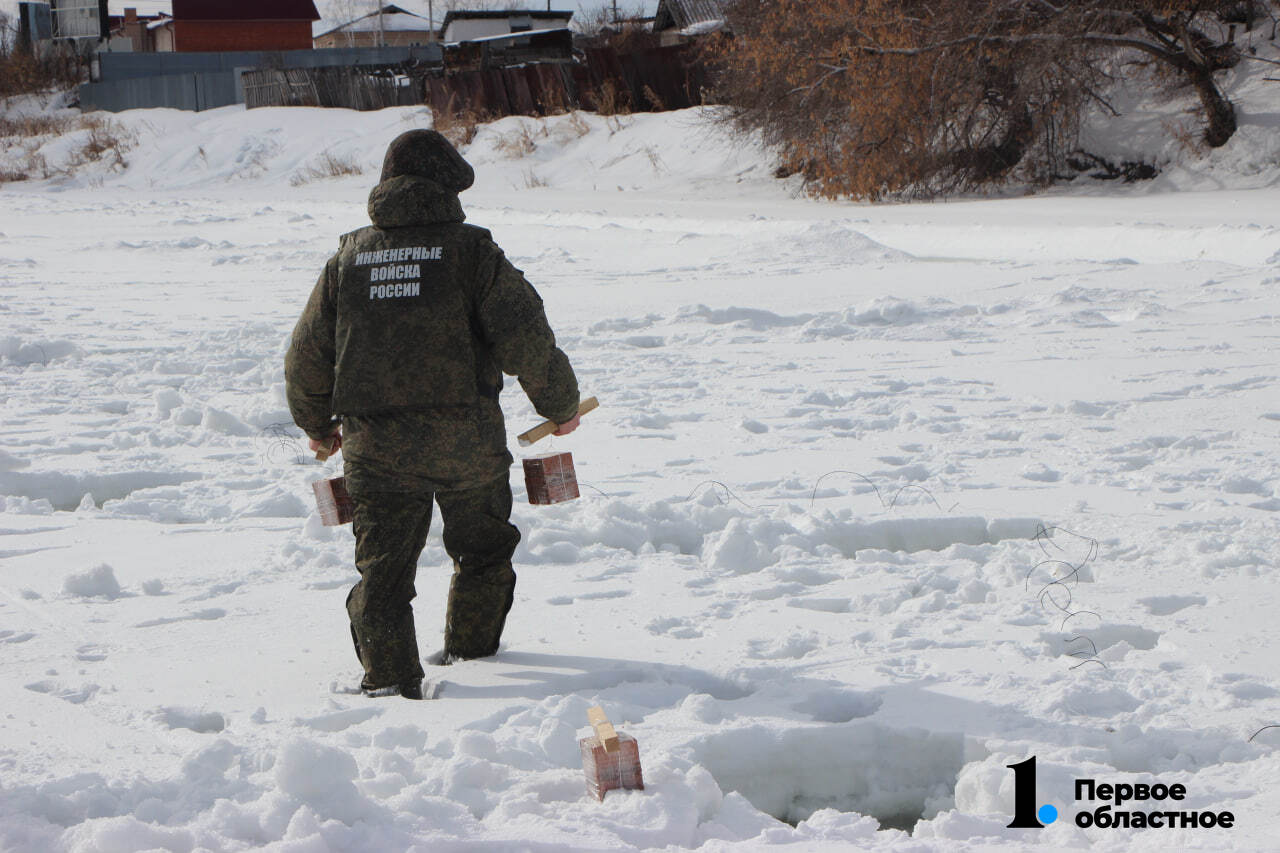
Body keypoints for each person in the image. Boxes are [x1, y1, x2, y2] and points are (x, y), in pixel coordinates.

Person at [284, 129, 581, 700]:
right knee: (483, 551)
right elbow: (526, 338)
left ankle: (392, 686)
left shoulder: (347, 259)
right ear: (448, 189)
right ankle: (472, 659)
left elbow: (307, 355)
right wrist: (560, 405)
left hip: (377, 449)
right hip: (466, 443)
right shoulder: (473, 252)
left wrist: (316, 425)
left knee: (384, 575)